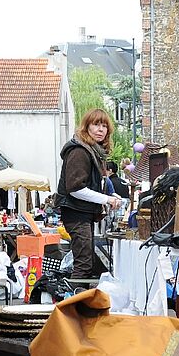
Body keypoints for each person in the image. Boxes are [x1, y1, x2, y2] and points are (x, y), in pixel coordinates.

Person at [58, 108, 118, 279]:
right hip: (76, 213)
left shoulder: (92, 151)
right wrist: (106, 199)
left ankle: (78, 295)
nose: (101, 129)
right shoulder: (80, 151)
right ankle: (74, 296)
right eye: (96, 124)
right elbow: (75, 189)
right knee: (83, 264)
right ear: (87, 126)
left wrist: (108, 197)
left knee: (86, 263)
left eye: (104, 126)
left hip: (82, 213)